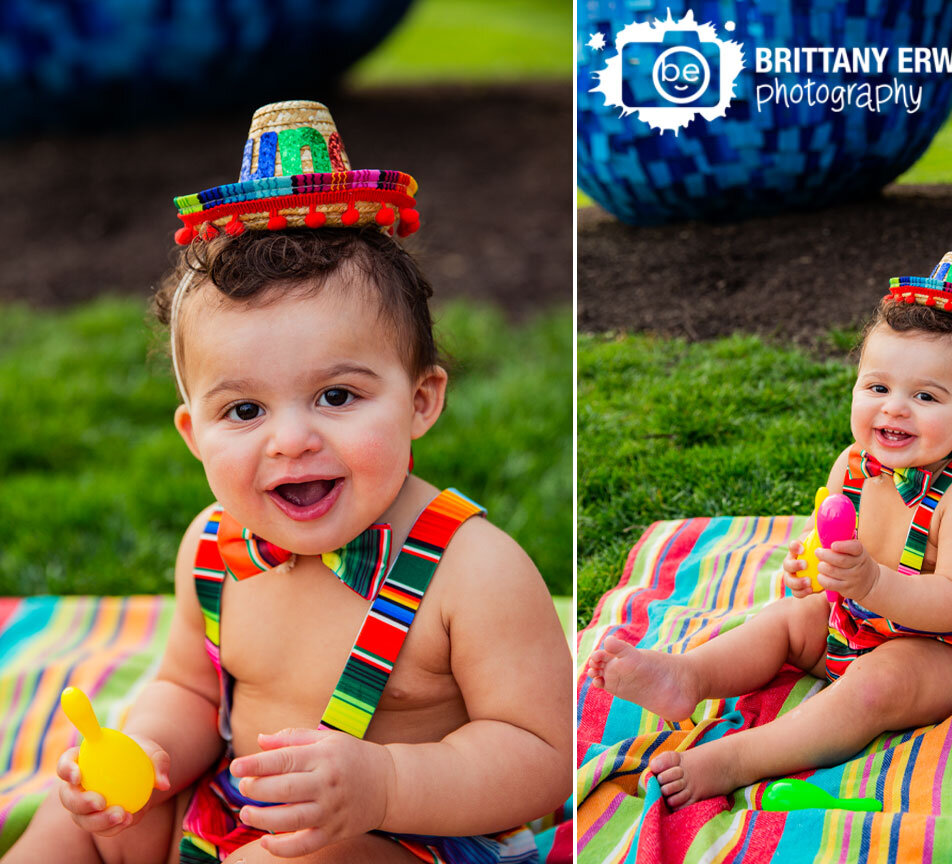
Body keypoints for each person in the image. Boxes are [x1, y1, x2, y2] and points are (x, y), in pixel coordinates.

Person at [4, 101, 571, 864]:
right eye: (243, 409)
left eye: (337, 396)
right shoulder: (212, 550)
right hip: (232, 815)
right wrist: (141, 756)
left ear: (421, 401)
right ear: (193, 434)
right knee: (84, 823)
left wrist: (385, 782)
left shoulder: (474, 573)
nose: (292, 440)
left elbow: (539, 757)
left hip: (409, 836)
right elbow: (193, 693)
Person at [587, 251, 952, 808]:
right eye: (877, 387)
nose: (895, 409)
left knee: (875, 686)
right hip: (853, 623)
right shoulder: (853, 466)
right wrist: (813, 574)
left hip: (945, 649)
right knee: (786, 620)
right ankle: (688, 675)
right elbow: (832, 557)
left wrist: (869, 583)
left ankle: (739, 758)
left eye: (926, 396)